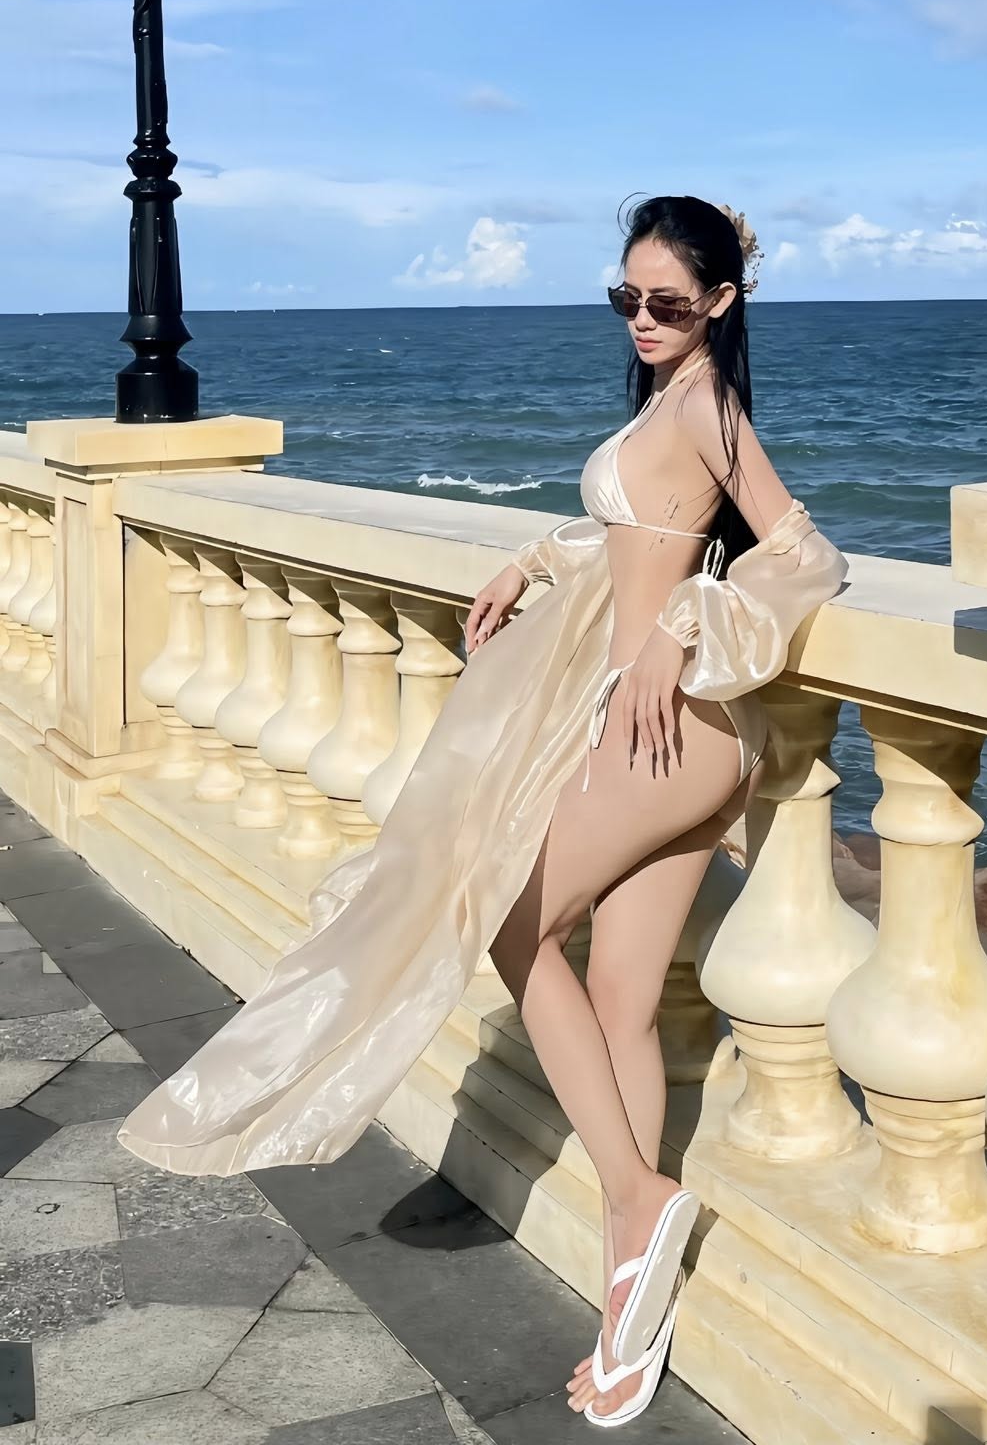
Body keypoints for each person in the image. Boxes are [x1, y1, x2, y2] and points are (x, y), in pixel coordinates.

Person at [118, 194, 849, 1427]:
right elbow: (640, 532)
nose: (644, 318)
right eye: (627, 297)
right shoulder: (667, 402)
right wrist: (535, 558)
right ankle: (633, 1296)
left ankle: (636, 1196)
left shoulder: (708, 404)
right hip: (670, 740)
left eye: (669, 302)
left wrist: (681, 631)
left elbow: (802, 553)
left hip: (668, 733)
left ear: (722, 301)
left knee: (508, 918)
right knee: (618, 998)